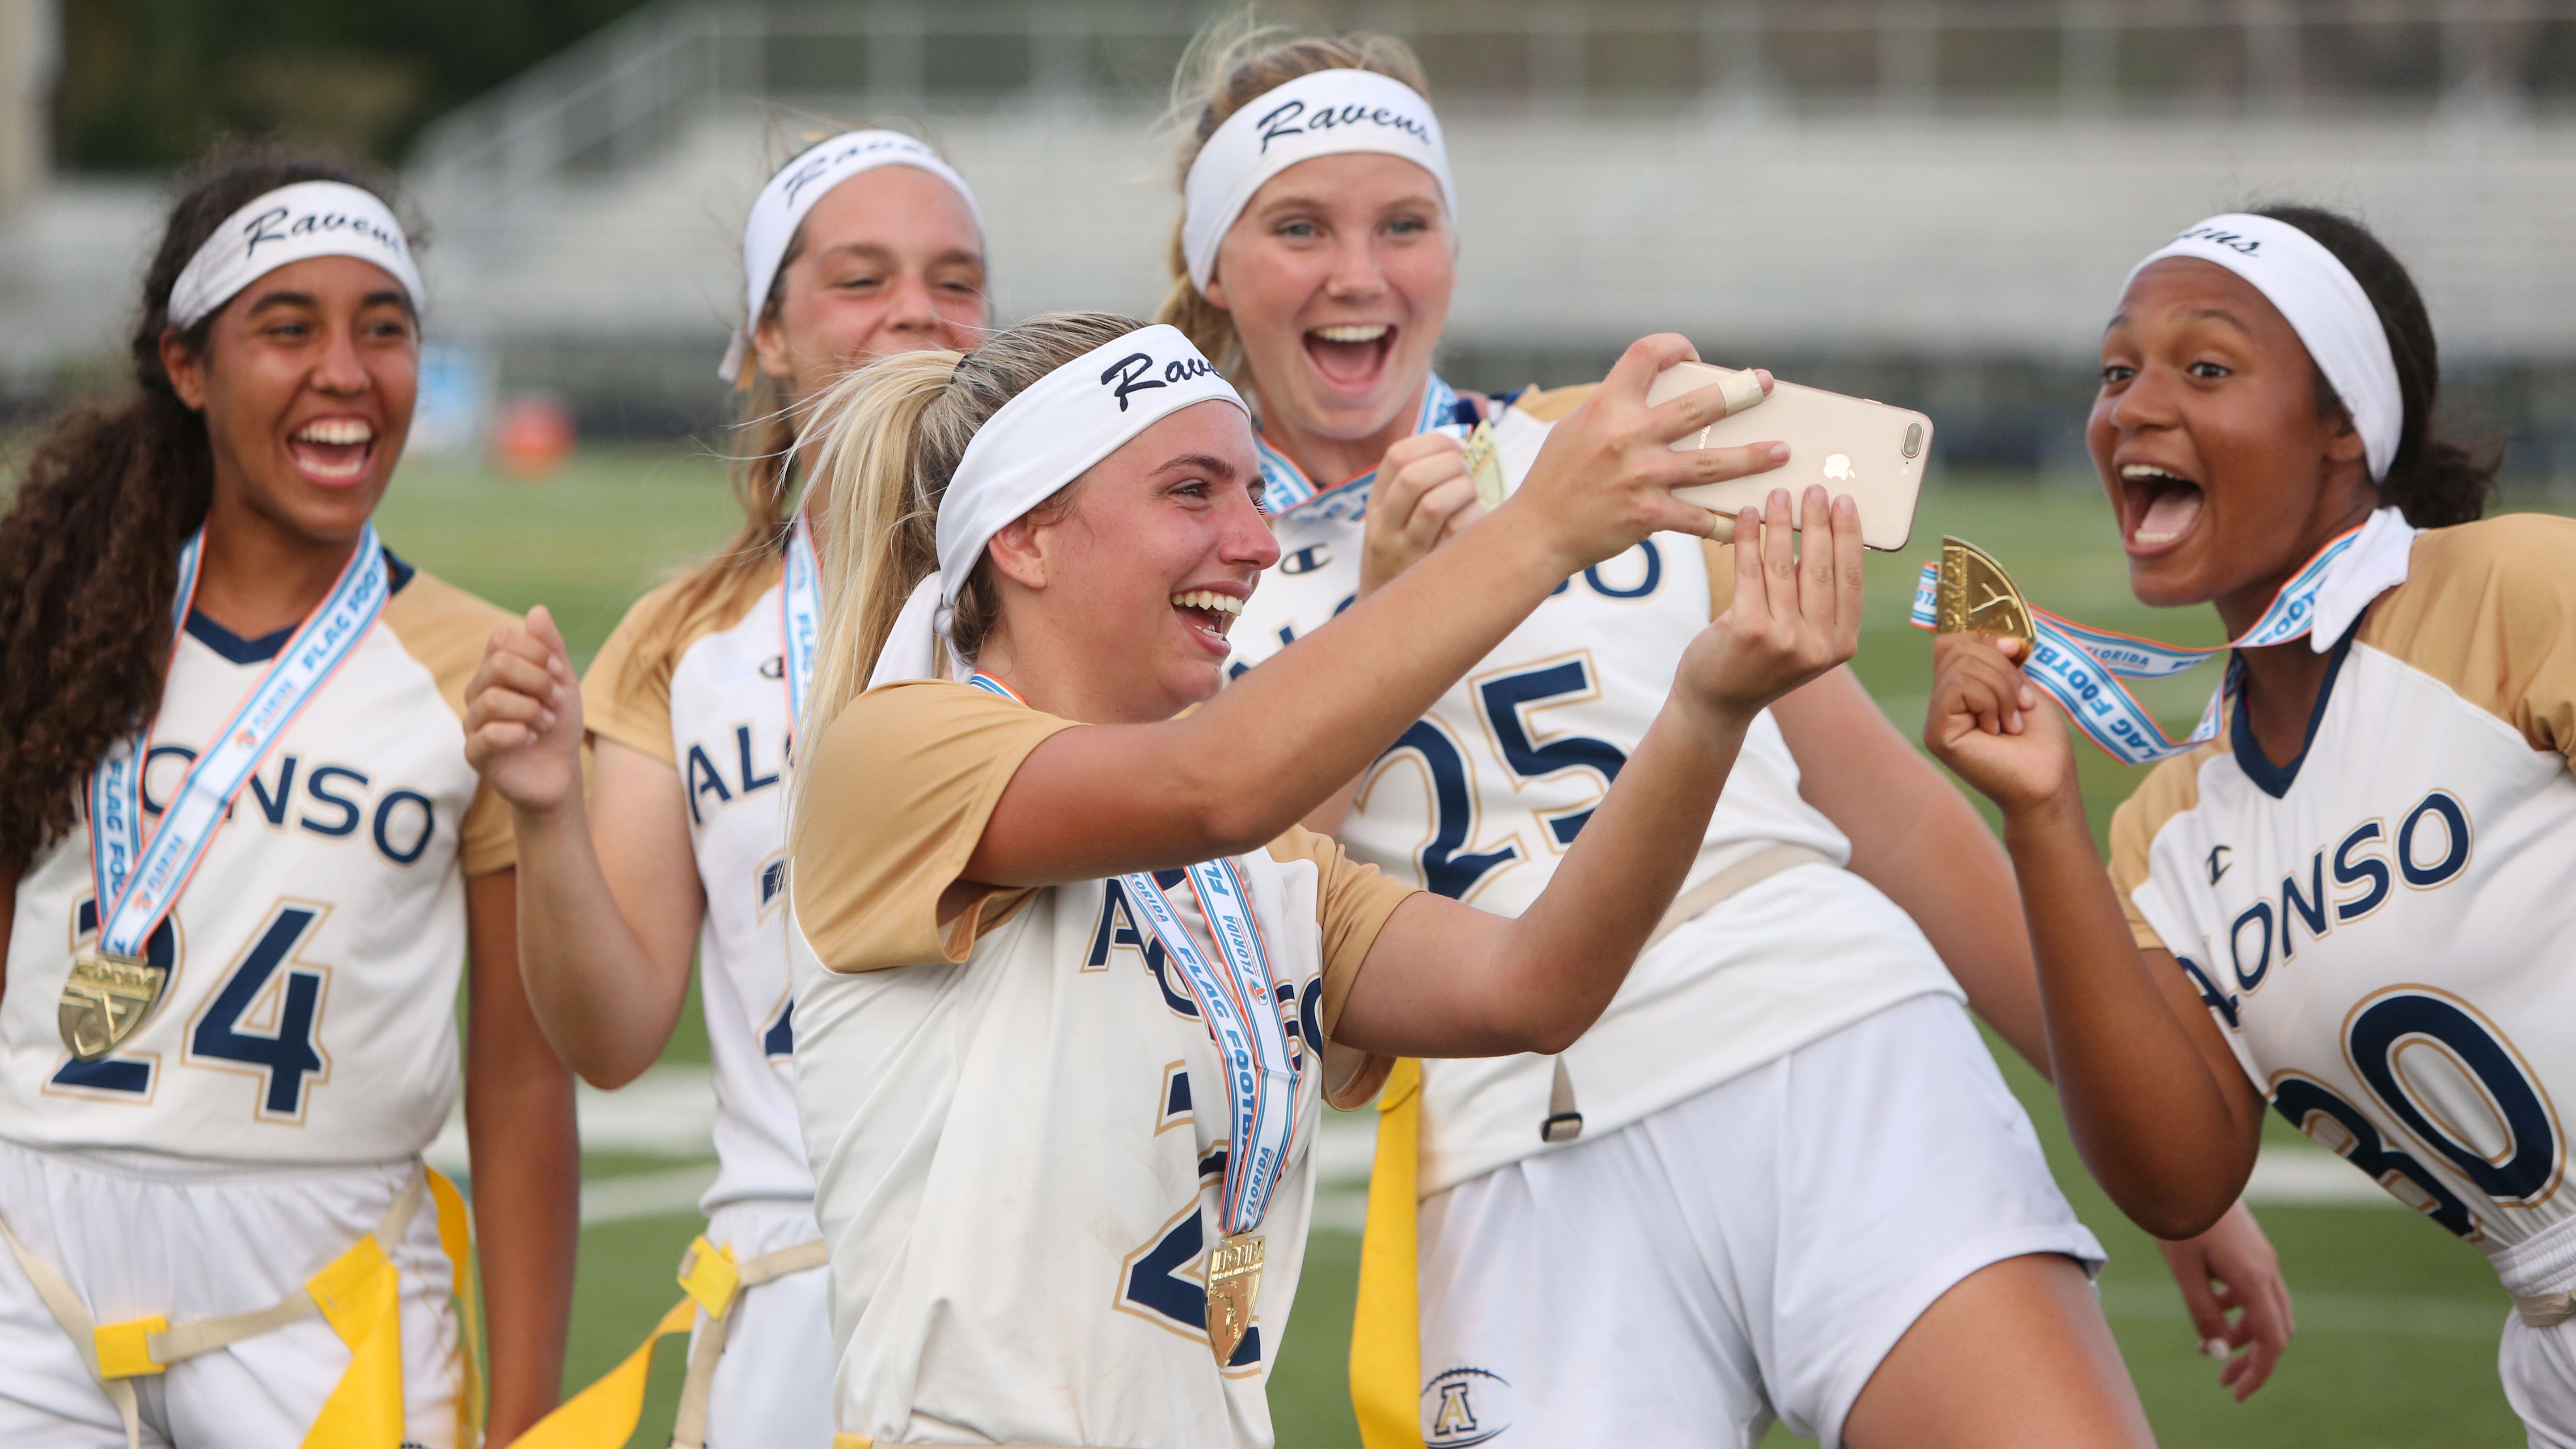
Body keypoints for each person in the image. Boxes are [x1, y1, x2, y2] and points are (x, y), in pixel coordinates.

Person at [1157, 25, 2292, 1449]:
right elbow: (1230, 923)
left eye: (1406, 223)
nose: (1359, 273)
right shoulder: (1173, 569)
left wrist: (2160, 1151)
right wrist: (1394, 619)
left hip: (1830, 1035)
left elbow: (1897, 826)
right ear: (1214, 265)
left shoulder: (1613, 443)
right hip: (1516, 1155)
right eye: (1298, 228)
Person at [752, 308, 1856, 1448]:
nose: (1257, 543)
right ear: (1026, 539)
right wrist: (1538, 534)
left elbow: (1535, 987)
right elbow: (1213, 782)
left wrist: (1708, 706)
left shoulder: (1261, 866)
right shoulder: (894, 754)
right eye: (1193, 492)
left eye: (1249, 493)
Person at [1927, 205, 2576, 1441]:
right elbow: (2177, 1178)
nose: (2132, 407)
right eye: (2118, 371)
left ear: (2346, 427)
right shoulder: (2171, 818)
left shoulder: (2512, 591)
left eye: (2204, 367)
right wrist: (2043, 819)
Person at [0, 148, 576, 1449]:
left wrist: (530, 1422)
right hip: (27, 1259)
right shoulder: (48, 620)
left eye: (385, 329)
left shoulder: (480, 667)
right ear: (188, 367)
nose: (343, 371)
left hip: (323, 1287)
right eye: (287, 327)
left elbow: (522, 1077)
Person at [461, 130, 988, 1447]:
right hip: (788, 1291)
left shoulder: (1059, 581)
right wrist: (546, 814)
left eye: (956, 278)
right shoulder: (684, 638)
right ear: (767, 334)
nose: (917, 311)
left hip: (1025, 1265)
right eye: (861, 279)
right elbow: (614, 1032)